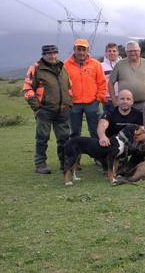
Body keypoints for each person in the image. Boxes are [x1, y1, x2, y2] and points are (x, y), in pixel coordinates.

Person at [23, 44, 72, 174]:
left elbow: (68, 87)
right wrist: (37, 108)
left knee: (64, 139)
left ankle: (65, 163)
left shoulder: (63, 67)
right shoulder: (36, 68)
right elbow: (27, 89)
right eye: (49, 53)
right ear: (43, 54)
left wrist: (69, 104)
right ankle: (40, 164)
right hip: (45, 110)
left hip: (63, 110)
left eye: (54, 53)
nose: (52, 56)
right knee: (42, 138)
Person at [63, 38, 107, 138]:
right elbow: (63, 85)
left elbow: (102, 83)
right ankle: (75, 153)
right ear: (74, 49)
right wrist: (67, 100)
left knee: (95, 131)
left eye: (84, 49)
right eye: (79, 49)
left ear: (88, 50)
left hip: (92, 103)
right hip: (73, 103)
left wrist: (98, 99)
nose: (81, 52)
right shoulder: (65, 65)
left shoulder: (96, 64)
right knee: (74, 132)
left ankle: (97, 153)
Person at [96, 89, 145, 170]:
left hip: (129, 144)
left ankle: (132, 164)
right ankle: (109, 163)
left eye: (128, 99)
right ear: (117, 100)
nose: (125, 101)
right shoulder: (110, 112)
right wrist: (102, 136)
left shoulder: (138, 114)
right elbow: (102, 125)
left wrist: (135, 139)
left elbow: (143, 133)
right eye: (122, 99)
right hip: (112, 146)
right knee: (111, 168)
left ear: (132, 101)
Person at [109, 40, 145, 111]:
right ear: (126, 52)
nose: (133, 53)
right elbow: (110, 83)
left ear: (140, 50)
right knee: (126, 122)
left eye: (135, 50)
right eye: (130, 51)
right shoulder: (119, 64)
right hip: (125, 106)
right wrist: (114, 102)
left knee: (144, 122)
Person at [101, 42, 120, 113]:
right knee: (108, 122)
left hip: (121, 98)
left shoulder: (122, 65)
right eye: (109, 51)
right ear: (105, 53)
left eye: (114, 51)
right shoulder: (100, 66)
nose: (112, 53)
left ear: (118, 52)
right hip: (108, 100)